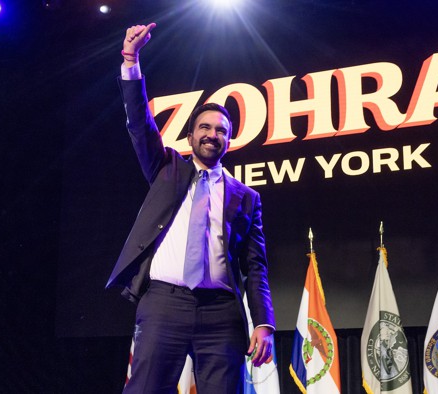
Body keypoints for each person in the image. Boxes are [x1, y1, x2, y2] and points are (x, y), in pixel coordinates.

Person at [105, 23, 276, 393]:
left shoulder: (245, 197)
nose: (212, 134)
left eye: (221, 130)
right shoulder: (167, 167)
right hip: (164, 303)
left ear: (229, 140)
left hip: (221, 312)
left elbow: (255, 267)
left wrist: (263, 323)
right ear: (191, 135)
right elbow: (139, 123)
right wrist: (131, 61)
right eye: (205, 127)